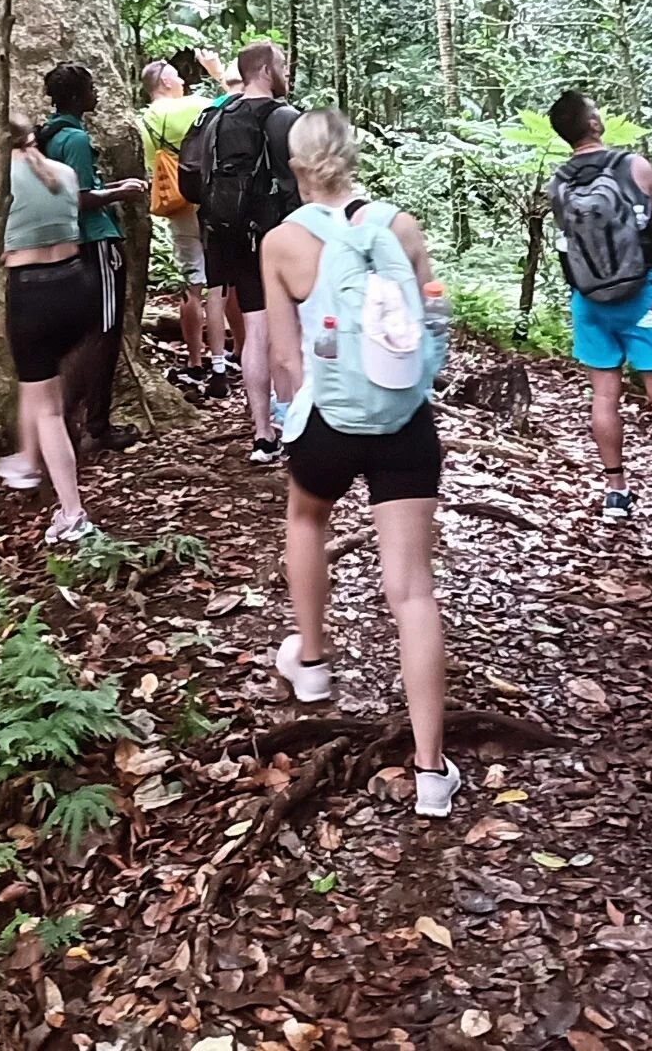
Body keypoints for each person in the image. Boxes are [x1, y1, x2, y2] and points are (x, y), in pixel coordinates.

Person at [261, 108, 459, 818]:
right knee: (412, 589)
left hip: (329, 423)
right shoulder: (399, 226)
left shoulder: (282, 242)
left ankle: (312, 661)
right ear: (352, 157)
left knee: (307, 515)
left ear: (295, 167)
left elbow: (284, 358)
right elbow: (436, 311)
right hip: (405, 422)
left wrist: (297, 419)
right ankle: (432, 772)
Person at [546, 90, 652, 529]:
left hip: (588, 298)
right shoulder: (635, 167)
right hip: (643, 294)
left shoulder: (557, 182)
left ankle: (616, 493)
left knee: (604, 396)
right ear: (595, 124)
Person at [0, 118, 96, 543]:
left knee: (48, 409)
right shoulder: (65, 173)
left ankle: (72, 512)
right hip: (78, 288)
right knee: (39, 385)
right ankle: (26, 458)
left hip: (32, 295)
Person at [40, 63, 149, 453]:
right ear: (75, 97)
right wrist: (122, 194)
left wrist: (116, 186)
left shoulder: (47, 137)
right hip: (96, 242)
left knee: (87, 334)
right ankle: (96, 426)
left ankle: (71, 418)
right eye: (91, 88)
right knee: (103, 334)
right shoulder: (75, 141)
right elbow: (81, 198)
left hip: (67, 246)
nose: (97, 93)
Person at [202, 41, 299, 463]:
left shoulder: (216, 116)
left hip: (229, 232)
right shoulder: (283, 118)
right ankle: (294, 428)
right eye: (280, 65)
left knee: (255, 330)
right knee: (287, 330)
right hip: (276, 233)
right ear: (262, 69)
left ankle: (263, 434)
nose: (285, 72)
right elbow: (302, 183)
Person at [140, 52, 231, 397]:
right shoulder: (194, 105)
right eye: (177, 75)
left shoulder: (145, 120)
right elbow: (237, 101)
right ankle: (225, 356)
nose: (182, 80)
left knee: (192, 280)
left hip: (176, 202)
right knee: (220, 279)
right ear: (164, 81)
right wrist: (217, 72)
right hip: (208, 196)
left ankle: (195, 361)